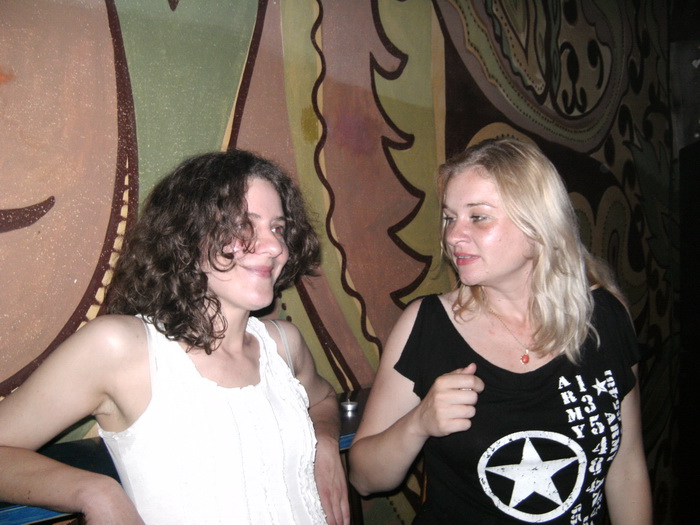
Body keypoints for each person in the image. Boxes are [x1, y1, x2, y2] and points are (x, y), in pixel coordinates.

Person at [0, 150, 350, 525]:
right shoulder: (121, 348)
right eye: (243, 225)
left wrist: (326, 442)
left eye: (278, 228)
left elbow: (323, 399)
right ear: (187, 235)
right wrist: (94, 492)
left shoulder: (283, 345)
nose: (275, 246)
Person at [348, 137, 652, 524]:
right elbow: (364, 478)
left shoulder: (606, 317)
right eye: (449, 217)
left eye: (478, 217)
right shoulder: (427, 324)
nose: (452, 236)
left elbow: (626, 468)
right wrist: (418, 423)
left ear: (537, 224)